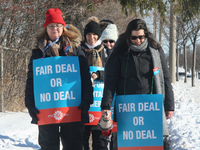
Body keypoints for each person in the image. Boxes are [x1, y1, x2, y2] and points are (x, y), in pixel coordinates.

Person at [25, 8, 93, 150]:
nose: (55, 28)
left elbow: (85, 78)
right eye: (51, 25)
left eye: (58, 25)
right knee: (48, 146)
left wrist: (87, 100)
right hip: (46, 109)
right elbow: (31, 80)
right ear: (46, 28)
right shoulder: (38, 52)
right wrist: (30, 103)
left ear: (63, 27)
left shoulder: (75, 50)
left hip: (71, 108)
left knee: (73, 145)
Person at [100, 19, 174, 149]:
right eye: (134, 37)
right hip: (126, 109)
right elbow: (110, 81)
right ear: (129, 35)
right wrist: (106, 106)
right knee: (126, 144)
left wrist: (169, 105)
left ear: (146, 35)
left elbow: (166, 78)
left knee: (151, 145)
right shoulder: (120, 52)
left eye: (141, 37)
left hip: (150, 107)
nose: (138, 40)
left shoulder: (155, 50)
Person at [81, 16, 108, 150]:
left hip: (100, 104)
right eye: (89, 34)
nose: (91, 38)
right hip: (83, 104)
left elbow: (112, 72)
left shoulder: (105, 52)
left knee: (100, 142)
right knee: (81, 141)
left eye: (94, 35)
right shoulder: (79, 51)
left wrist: (99, 75)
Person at [100, 23, 118, 150]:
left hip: (117, 100)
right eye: (105, 41)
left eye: (111, 41)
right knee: (103, 133)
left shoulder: (120, 56)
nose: (108, 44)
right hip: (101, 100)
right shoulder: (98, 55)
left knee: (115, 134)